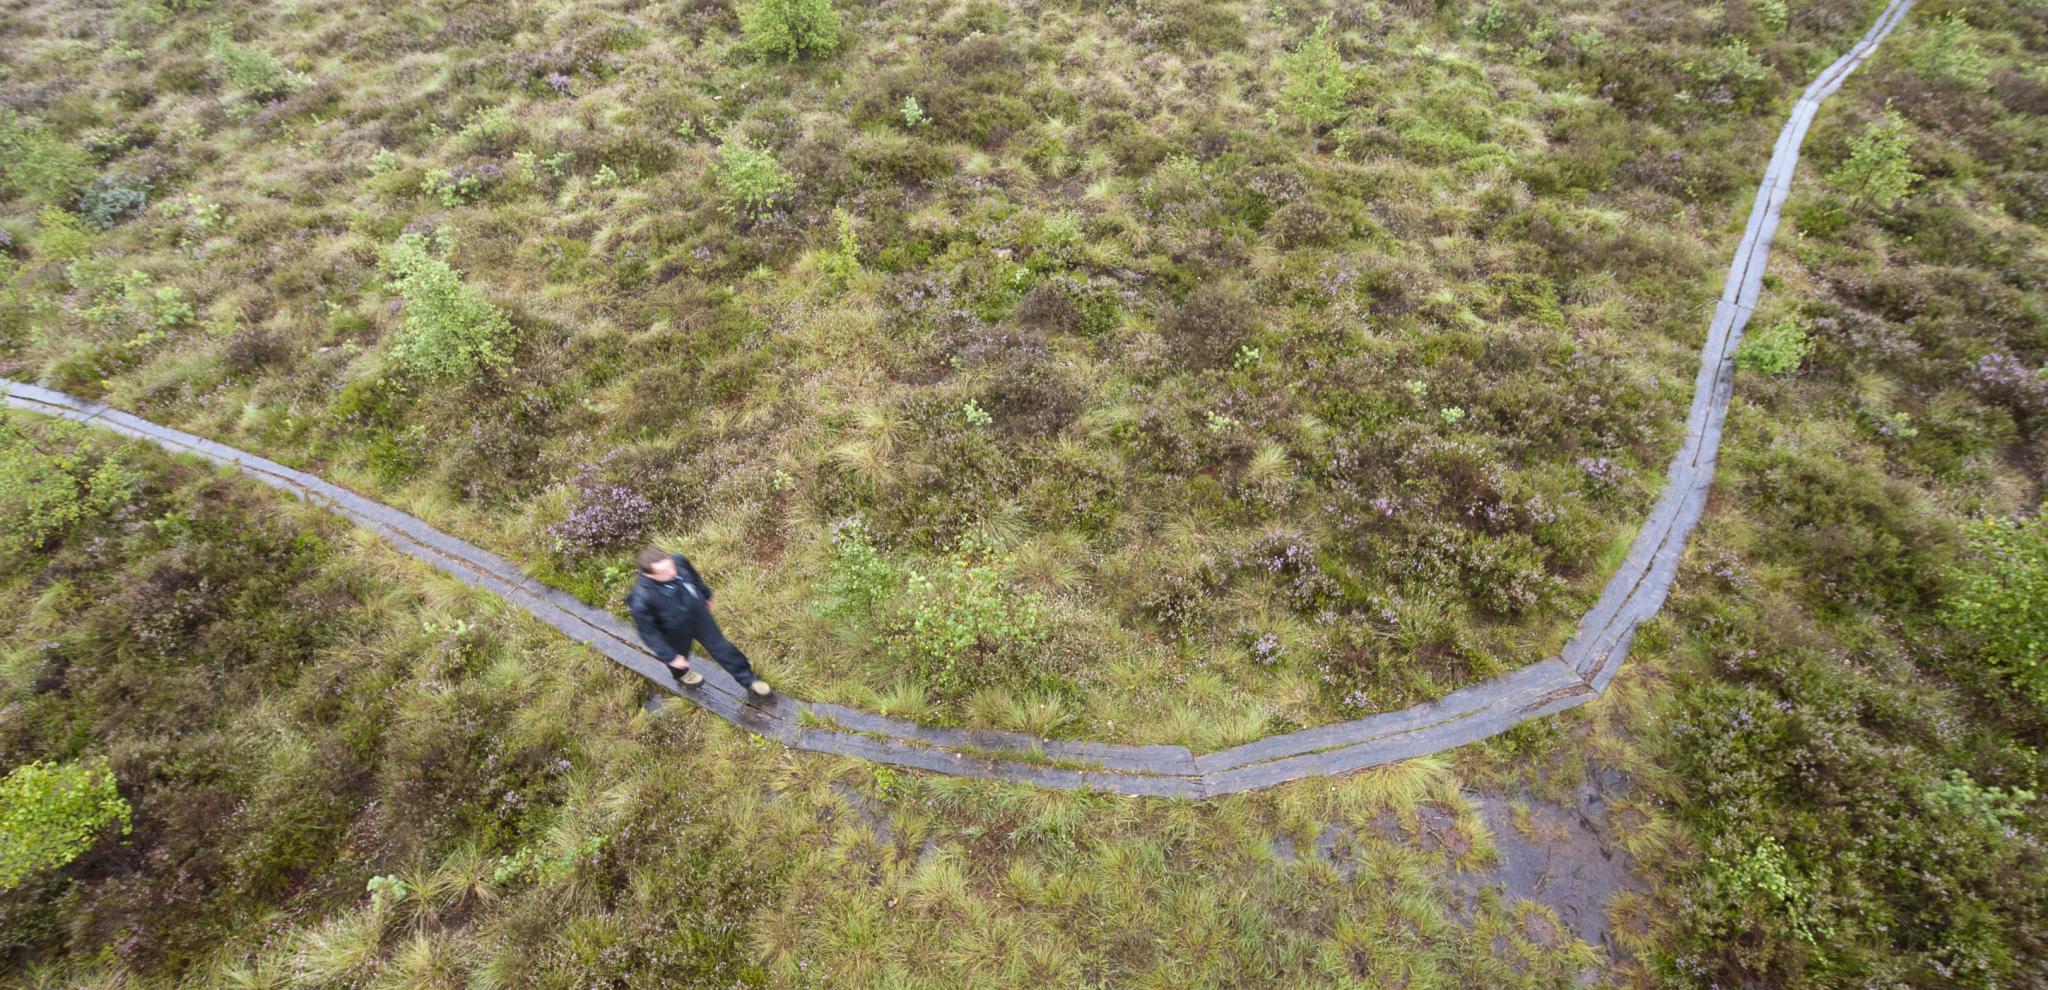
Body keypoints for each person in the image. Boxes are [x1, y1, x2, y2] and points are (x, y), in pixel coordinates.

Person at [626, 546, 772, 697]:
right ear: (650, 576)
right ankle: (681, 674)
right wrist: (670, 657)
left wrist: (705, 594)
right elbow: (649, 633)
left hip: (699, 617)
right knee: (680, 657)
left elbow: (694, 578)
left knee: (723, 648)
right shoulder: (641, 599)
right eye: (664, 572)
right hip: (673, 631)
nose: (672, 572)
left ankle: (749, 679)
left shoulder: (679, 560)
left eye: (670, 565)